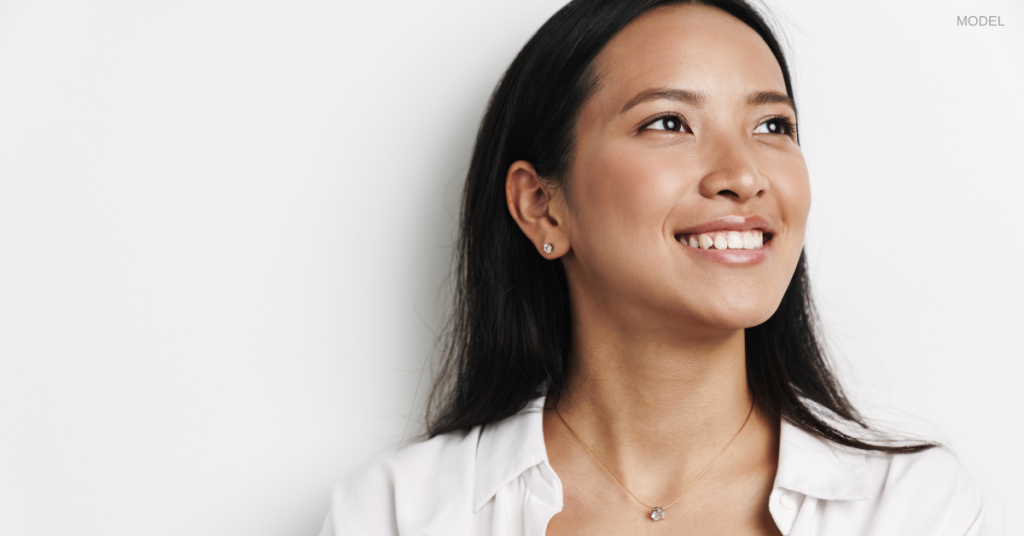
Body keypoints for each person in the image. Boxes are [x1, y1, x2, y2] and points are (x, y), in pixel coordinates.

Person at [319, 0, 987, 534]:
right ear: (542, 207)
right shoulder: (396, 514)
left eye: (773, 126)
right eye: (669, 123)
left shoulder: (913, 510)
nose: (743, 175)